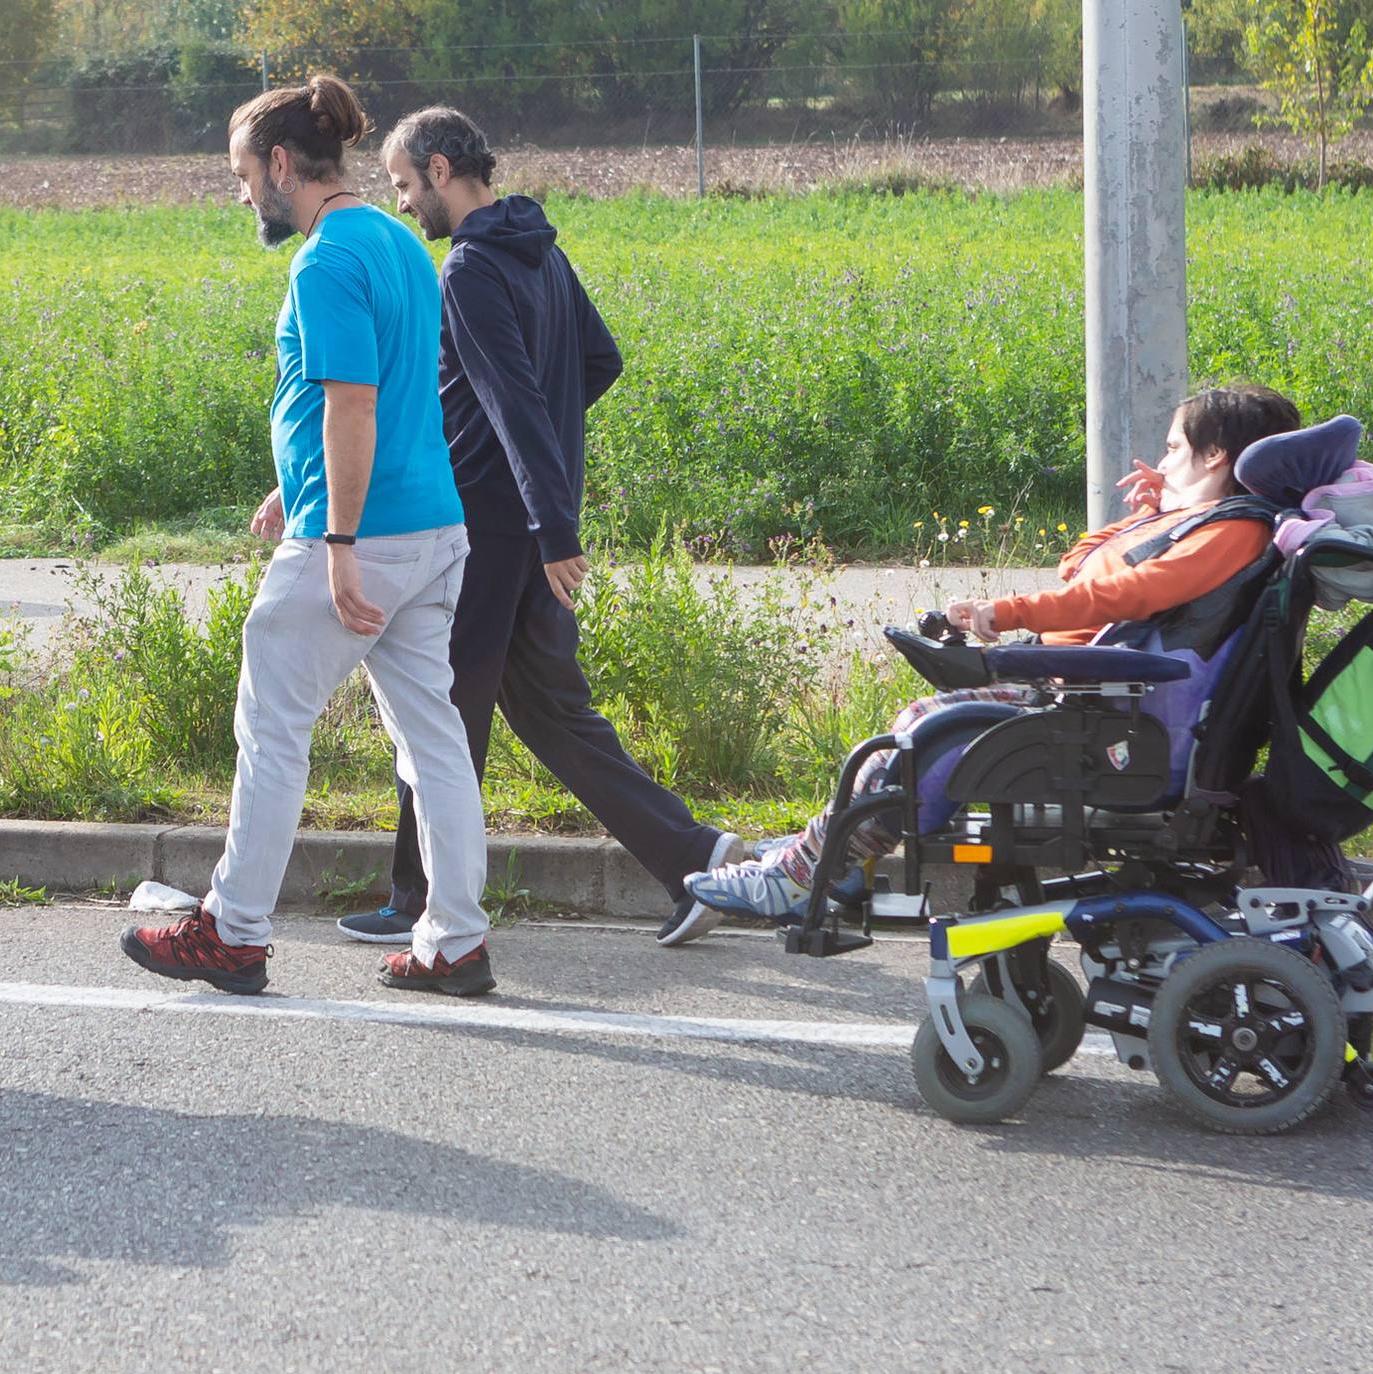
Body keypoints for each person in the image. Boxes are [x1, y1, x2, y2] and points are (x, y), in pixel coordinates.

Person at [117, 76, 499, 1000]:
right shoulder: (400, 243)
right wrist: (297, 488)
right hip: (434, 527)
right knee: (433, 739)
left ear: (282, 164)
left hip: (365, 538)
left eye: (243, 172)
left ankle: (233, 932)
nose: (242, 192)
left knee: (273, 724)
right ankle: (455, 943)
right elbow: (391, 395)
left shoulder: (324, 260)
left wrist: (334, 536)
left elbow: (353, 402)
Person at [344, 105, 747, 951]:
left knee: (440, 711)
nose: (405, 202)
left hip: (488, 528)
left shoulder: (470, 271)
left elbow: (516, 398)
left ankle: (420, 902)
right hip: (521, 521)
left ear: (443, 169)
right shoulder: (542, 250)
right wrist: (546, 494)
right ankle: (699, 859)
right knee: (554, 713)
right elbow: (596, 363)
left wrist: (549, 517)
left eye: (407, 184)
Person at [687, 385, 1312, 923]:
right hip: (1094, 698)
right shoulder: (1204, 523)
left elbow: (1125, 592)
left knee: (926, 729)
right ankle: (833, 854)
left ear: (1214, 454)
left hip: (1107, 712)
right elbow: (1081, 564)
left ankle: (804, 873)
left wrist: (1007, 613)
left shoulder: (1234, 529)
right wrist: (1151, 512)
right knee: (923, 726)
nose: (1163, 460)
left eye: (1175, 448)